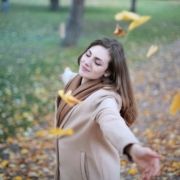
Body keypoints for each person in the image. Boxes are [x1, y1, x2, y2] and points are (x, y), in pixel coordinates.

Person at [54, 38, 161, 180]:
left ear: (107, 72)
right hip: (69, 171)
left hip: (92, 173)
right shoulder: (76, 80)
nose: (87, 62)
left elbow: (112, 121)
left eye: (97, 62)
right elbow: (71, 77)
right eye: (88, 54)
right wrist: (66, 74)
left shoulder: (104, 98)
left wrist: (133, 148)